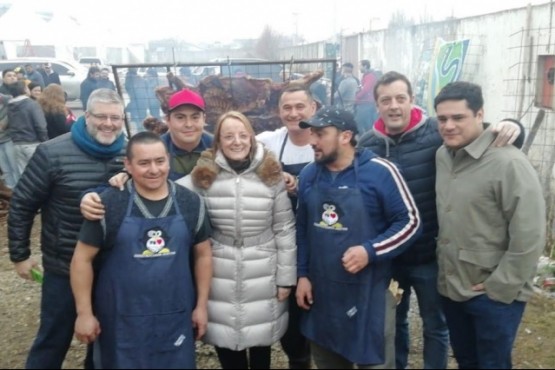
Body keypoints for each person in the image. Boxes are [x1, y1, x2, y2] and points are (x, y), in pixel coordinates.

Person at [358, 71, 525, 369]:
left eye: (400, 98)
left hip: (431, 254)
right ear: (377, 105)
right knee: (394, 323)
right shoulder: (367, 144)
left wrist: (514, 126)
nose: (394, 106)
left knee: (436, 325)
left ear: (412, 100)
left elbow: (483, 136)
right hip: (391, 256)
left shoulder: (439, 132)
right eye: (386, 100)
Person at [70, 131, 213, 368]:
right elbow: (81, 260)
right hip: (120, 319)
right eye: (144, 163)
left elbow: (203, 255)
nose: (154, 170)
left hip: (175, 315)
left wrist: (201, 306)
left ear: (168, 159)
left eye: (160, 161)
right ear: (128, 164)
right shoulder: (109, 204)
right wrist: (84, 313)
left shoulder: (191, 203)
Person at [7, 88, 127, 369]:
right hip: (64, 264)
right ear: (87, 116)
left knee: (104, 340)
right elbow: (23, 203)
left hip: (113, 267)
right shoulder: (52, 153)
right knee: (54, 337)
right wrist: (20, 254)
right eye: (101, 117)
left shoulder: (129, 153)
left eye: (115, 118)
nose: (108, 123)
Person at [295, 106, 422, 368]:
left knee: (374, 361)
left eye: (320, 134)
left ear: (345, 136)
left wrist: (370, 250)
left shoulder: (380, 171)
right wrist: (303, 275)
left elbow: (410, 221)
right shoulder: (309, 175)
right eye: (312, 134)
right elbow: (302, 231)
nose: (312, 141)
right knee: (327, 358)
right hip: (323, 292)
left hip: (369, 292)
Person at [434, 81, 545, 369]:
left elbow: (530, 234)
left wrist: (501, 286)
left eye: (458, 118)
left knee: (493, 363)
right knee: (466, 361)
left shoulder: (508, 162)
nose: (448, 126)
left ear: (480, 114)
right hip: (453, 286)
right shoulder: (443, 157)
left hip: (493, 293)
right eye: (442, 119)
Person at [176, 111, 296, 369]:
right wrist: (127, 178)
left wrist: (286, 278)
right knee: (226, 340)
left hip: (263, 265)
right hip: (220, 264)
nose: (237, 141)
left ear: (252, 138)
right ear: (218, 140)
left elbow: (284, 227)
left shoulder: (271, 174)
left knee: (261, 341)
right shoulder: (205, 173)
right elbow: (169, 189)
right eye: (228, 136)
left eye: (243, 135)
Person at [79, 89, 213, 224]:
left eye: (195, 117)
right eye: (180, 117)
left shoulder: (219, 149)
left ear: (204, 119)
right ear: (168, 120)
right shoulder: (151, 150)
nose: (188, 124)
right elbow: (117, 183)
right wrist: (89, 196)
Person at [256, 84, 316, 369]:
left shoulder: (323, 138)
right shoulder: (269, 141)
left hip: (318, 236)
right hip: (283, 237)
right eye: (287, 108)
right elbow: (231, 150)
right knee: (292, 315)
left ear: (313, 108)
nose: (294, 113)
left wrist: (302, 185)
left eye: (300, 106)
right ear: (278, 112)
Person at [7, 81, 48, 178]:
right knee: (39, 173)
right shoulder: (32, 104)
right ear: (25, 90)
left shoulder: (10, 106)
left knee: (23, 174)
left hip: (17, 144)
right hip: (32, 143)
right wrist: (45, 140)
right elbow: (41, 125)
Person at [354, 60, 379, 135]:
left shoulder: (369, 76)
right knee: (366, 123)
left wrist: (357, 97)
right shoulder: (367, 76)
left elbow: (365, 89)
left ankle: (364, 140)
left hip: (365, 104)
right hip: (365, 103)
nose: (359, 68)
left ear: (365, 66)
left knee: (360, 123)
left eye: (360, 66)